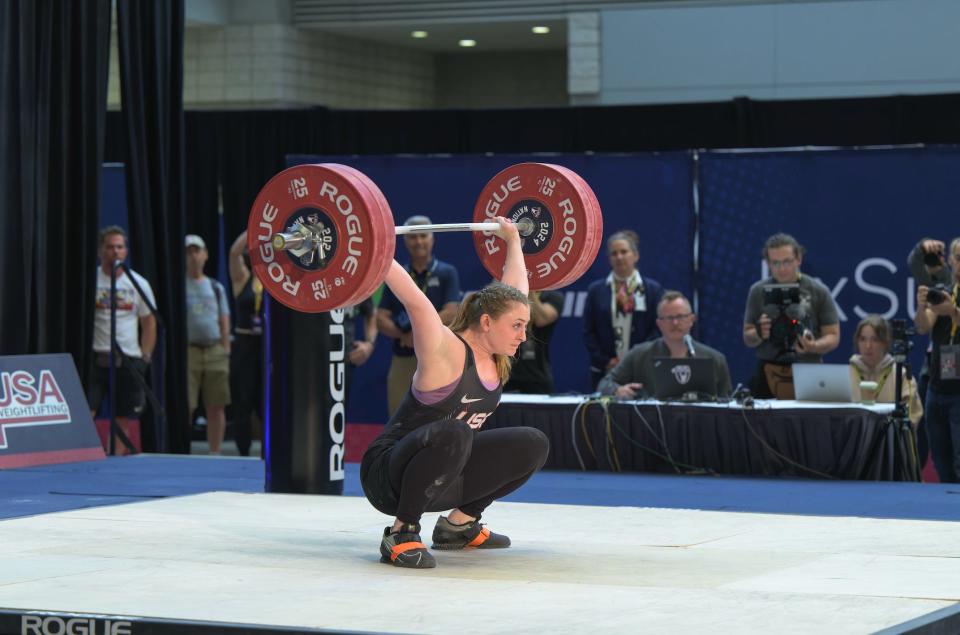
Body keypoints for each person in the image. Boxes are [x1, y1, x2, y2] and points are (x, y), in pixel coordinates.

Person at [360, 217, 550, 569]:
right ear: (487, 323)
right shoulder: (446, 351)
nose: (523, 336)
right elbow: (416, 303)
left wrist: (513, 240)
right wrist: (376, 247)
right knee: (457, 433)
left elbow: (515, 293)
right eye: (518, 326)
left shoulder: (496, 356)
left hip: (444, 473)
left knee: (533, 442)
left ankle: (458, 525)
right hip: (387, 477)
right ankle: (401, 533)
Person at [377, 215, 461, 415]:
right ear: (405, 240)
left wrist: (418, 335)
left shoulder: (447, 272)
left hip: (438, 357)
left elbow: (451, 312)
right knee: (398, 417)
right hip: (403, 358)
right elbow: (381, 318)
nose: (419, 242)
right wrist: (402, 335)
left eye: (423, 236)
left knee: (437, 417)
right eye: (413, 237)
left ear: (433, 238)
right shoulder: (398, 273)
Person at [742, 233, 840, 399]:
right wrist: (759, 333)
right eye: (775, 263)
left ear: (798, 259)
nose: (782, 268)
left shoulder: (817, 290)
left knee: (808, 425)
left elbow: (833, 336)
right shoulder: (757, 291)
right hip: (767, 372)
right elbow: (747, 336)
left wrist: (813, 346)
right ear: (768, 264)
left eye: (787, 261)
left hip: (808, 369)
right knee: (762, 425)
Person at [87, 225, 157, 455]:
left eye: (120, 247)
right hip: (97, 358)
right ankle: (84, 457)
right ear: (100, 251)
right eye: (110, 247)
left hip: (128, 359)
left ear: (126, 251)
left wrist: (145, 357)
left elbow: (149, 323)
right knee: (88, 411)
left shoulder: (138, 283)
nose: (115, 252)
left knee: (122, 417)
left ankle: (116, 461)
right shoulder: (91, 281)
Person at [598, 291, 732, 399]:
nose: (675, 323)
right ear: (659, 324)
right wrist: (617, 390)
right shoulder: (639, 354)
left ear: (692, 320)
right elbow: (604, 384)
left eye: (680, 317)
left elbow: (728, 403)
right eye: (668, 318)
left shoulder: (715, 359)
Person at [583, 230, 664, 390]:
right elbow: (588, 332)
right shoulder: (596, 290)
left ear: (635, 255)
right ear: (609, 259)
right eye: (614, 253)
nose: (619, 257)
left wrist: (636, 358)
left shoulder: (653, 290)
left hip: (643, 370)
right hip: (606, 371)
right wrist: (606, 360)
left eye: (624, 252)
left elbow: (658, 330)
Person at [913, 237, 960, 483]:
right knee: (941, 462)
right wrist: (922, 307)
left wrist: (953, 312)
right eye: (959, 258)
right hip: (937, 386)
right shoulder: (943, 291)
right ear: (950, 262)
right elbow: (922, 327)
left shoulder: (950, 302)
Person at [185, 234, 231, 455]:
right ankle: (183, 449)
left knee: (216, 404)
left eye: (197, 251)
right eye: (189, 252)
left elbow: (224, 318)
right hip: (189, 350)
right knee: (188, 404)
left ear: (205, 255)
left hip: (214, 349)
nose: (193, 256)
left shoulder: (215, 287)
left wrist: (225, 348)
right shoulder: (179, 286)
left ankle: (215, 452)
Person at [847, 315, 922, 425]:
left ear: (885, 342)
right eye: (863, 339)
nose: (868, 346)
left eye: (875, 339)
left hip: (889, 437)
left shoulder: (900, 374)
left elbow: (913, 415)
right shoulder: (847, 374)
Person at [228, 230, 263, 456]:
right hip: (244, 345)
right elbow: (234, 252)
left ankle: (268, 452)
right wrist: (257, 227)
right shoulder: (242, 278)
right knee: (242, 399)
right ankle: (243, 451)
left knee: (266, 401)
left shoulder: (278, 283)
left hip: (267, 347)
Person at [504, 290, 564, 394]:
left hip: (536, 374)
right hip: (503, 373)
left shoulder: (552, 296)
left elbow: (541, 319)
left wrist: (528, 287)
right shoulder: (504, 292)